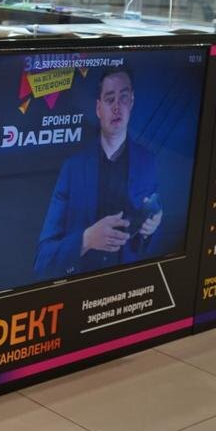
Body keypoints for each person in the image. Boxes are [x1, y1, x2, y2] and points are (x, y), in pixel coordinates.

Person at [33, 67, 163, 280]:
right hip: (81, 290)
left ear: (132, 102)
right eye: (109, 99)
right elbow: (42, 260)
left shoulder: (148, 162)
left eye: (123, 98)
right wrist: (86, 240)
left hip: (131, 289)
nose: (117, 107)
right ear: (98, 108)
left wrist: (151, 229)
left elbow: (152, 246)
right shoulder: (72, 169)